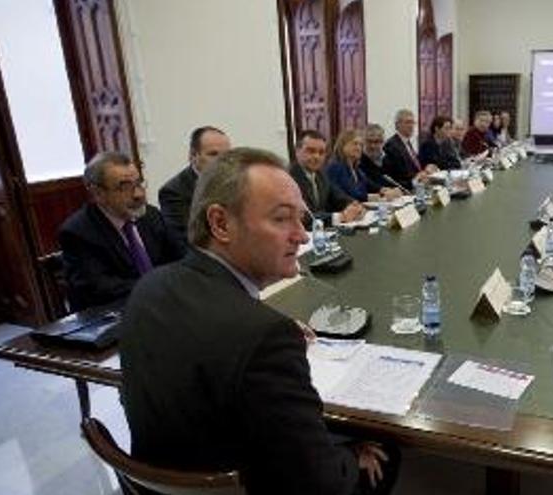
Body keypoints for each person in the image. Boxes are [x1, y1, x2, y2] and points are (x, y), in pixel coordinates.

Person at [119, 147, 398, 495]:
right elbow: (320, 483)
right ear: (220, 223)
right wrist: (352, 455)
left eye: (301, 218)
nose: (303, 235)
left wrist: (263, 327)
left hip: (158, 482)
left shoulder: (150, 287)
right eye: (282, 219)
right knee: (385, 452)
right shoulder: (262, 336)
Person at [59, 152, 183, 311]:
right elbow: (101, 288)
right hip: (112, 316)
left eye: (138, 183)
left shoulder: (151, 215)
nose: (138, 194)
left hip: (156, 306)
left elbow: (180, 257)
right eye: (125, 187)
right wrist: (160, 286)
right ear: (98, 193)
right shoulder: (77, 232)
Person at [159, 126, 231, 248]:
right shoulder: (173, 192)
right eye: (213, 154)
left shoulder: (237, 180)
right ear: (193, 156)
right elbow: (184, 243)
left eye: (226, 155)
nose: (221, 161)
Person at [290, 130, 364, 225]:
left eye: (321, 152)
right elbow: (303, 216)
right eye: (311, 151)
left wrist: (354, 205)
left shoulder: (321, 174)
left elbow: (338, 197)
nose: (316, 156)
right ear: (297, 151)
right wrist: (340, 217)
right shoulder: (288, 178)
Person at [326, 129, 401, 202]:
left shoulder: (356, 169)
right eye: (355, 143)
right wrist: (381, 195)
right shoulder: (336, 167)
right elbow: (352, 194)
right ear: (343, 145)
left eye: (360, 145)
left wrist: (385, 190)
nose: (358, 148)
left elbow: (370, 185)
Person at [382, 109, 433, 190]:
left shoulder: (407, 142)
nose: (411, 126)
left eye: (413, 122)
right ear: (397, 125)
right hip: (404, 191)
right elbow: (397, 177)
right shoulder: (392, 146)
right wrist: (416, 180)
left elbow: (415, 168)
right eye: (407, 122)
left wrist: (425, 170)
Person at [359, 123, 390, 188]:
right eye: (369, 141)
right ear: (363, 142)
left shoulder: (389, 159)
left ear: (383, 142)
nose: (372, 146)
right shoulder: (358, 161)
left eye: (376, 142)